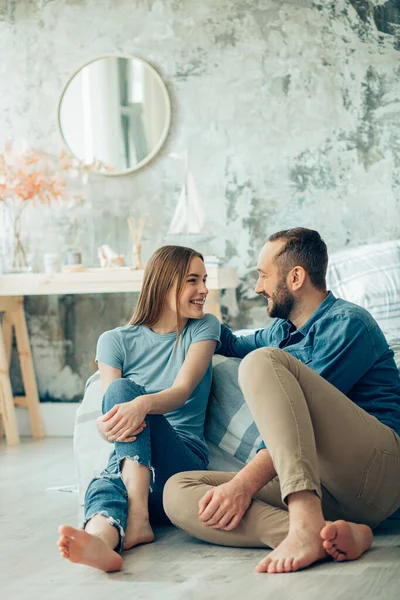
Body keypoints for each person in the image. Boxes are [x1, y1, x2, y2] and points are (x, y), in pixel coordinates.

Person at [164, 228, 400, 574]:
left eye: (263, 275)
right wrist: (190, 302)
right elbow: (228, 343)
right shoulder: (281, 332)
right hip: (324, 489)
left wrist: (243, 485)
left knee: (261, 362)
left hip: (379, 472)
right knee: (179, 492)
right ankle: (320, 535)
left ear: (295, 277)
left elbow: (293, 408)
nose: (258, 287)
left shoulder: (349, 324)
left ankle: (304, 524)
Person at [57, 245, 220, 572]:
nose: (204, 290)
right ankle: (102, 541)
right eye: (193, 281)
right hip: (137, 474)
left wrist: (141, 404)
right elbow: (110, 409)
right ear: (164, 284)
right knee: (106, 482)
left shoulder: (203, 328)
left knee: (126, 395)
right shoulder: (114, 341)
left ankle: (138, 519)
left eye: (204, 280)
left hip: (180, 464)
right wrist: (105, 426)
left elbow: (181, 392)